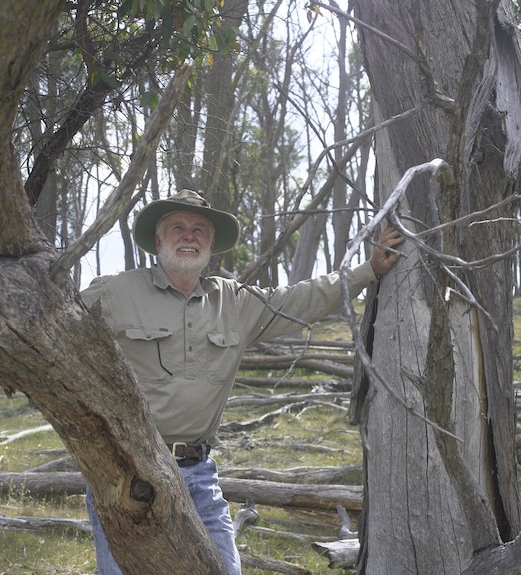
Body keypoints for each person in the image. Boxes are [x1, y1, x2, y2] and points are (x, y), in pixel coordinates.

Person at [80, 189, 403, 575]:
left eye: (199, 229)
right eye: (178, 228)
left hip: (198, 473)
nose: (189, 235)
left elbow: (303, 299)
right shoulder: (114, 292)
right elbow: (50, 334)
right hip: (125, 472)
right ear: (158, 240)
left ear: (211, 244)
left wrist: (368, 270)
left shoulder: (234, 302)